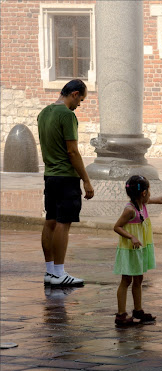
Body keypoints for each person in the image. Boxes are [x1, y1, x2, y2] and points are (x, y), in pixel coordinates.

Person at [38, 79, 94, 287]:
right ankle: (60, 273)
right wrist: (86, 180)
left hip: (50, 175)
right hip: (65, 177)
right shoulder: (67, 115)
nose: (80, 104)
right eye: (81, 99)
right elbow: (72, 151)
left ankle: (51, 271)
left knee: (50, 221)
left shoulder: (44, 113)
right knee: (63, 223)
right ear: (74, 94)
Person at [113, 175, 162, 326]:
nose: (151, 193)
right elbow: (117, 227)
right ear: (144, 192)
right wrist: (131, 237)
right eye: (149, 190)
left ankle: (138, 310)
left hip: (139, 248)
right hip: (129, 249)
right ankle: (121, 315)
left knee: (139, 279)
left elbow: (161, 199)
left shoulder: (142, 203)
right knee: (126, 280)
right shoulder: (130, 210)